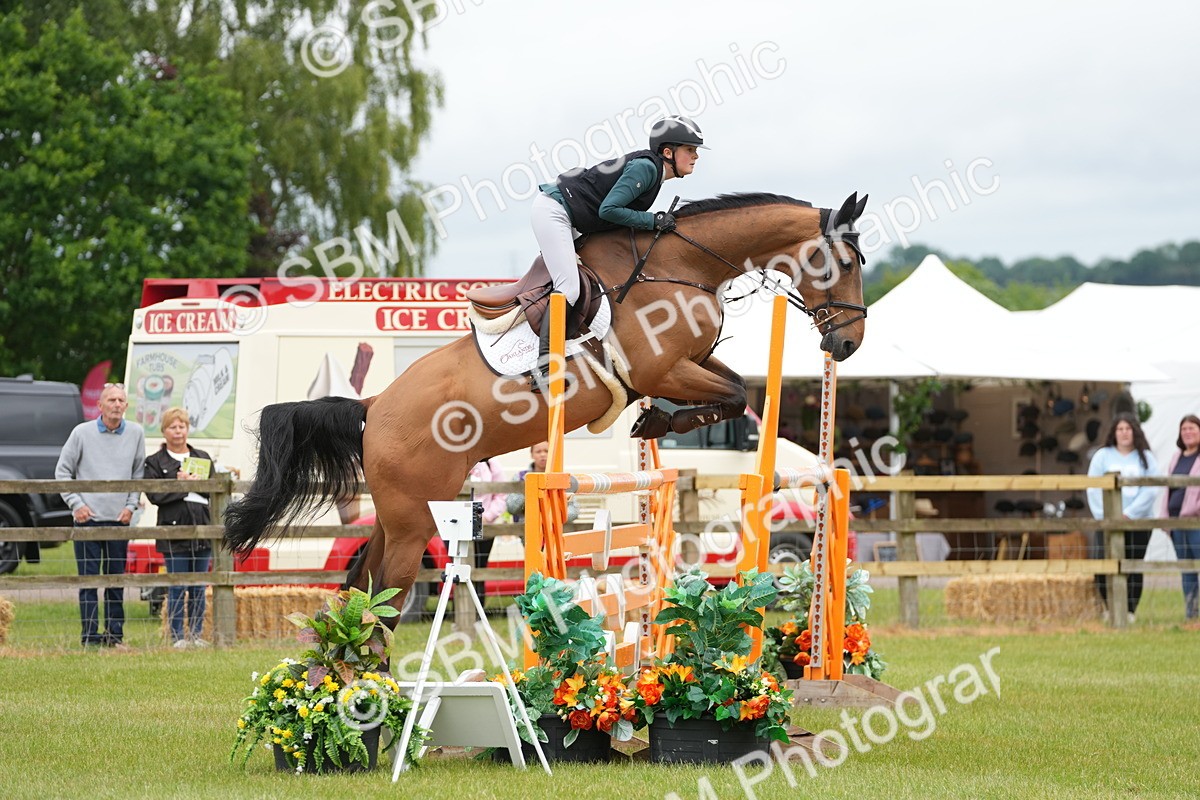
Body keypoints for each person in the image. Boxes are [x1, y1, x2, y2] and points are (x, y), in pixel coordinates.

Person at [529, 115, 707, 382]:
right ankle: (543, 368)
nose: (695, 156)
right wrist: (653, 220)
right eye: (690, 149)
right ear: (668, 152)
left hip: (574, 217)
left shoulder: (654, 173)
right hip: (555, 212)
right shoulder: (646, 169)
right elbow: (609, 210)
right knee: (570, 288)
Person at [56, 383, 145, 648]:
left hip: (120, 519)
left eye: (121, 400)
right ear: (100, 405)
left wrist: (131, 506)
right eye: (111, 400)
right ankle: (90, 637)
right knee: (89, 581)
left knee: (116, 580)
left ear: (126, 406)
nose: (116, 404)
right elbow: (62, 472)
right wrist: (76, 504)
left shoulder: (136, 433)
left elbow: (138, 474)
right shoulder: (81, 433)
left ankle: (115, 636)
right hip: (87, 519)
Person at [144, 408, 215, 648]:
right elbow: (155, 495)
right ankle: (177, 637)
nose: (178, 431)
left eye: (181, 426)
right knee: (177, 585)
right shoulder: (155, 462)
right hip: (172, 532)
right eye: (172, 427)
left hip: (203, 529)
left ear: (187, 429)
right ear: (164, 431)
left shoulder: (202, 457)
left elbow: (215, 491)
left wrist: (199, 484)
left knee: (198, 586)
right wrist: (182, 485)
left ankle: (195, 634)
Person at [1086, 413, 1159, 623]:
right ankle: (1110, 608)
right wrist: (1105, 517)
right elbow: (1093, 488)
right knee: (1102, 564)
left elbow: (1151, 490)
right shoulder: (1102, 456)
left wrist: (1130, 514)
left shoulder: (1146, 457)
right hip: (1107, 521)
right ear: (1114, 432)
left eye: (1128, 429)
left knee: (1133, 565)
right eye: (1120, 429)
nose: (1124, 433)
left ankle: (1129, 610)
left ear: (1135, 432)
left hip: (1137, 522)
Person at [1162, 414, 1200, 619]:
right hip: (1176, 522)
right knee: (1186, 568)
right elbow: (1168, 488)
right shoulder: (1177, 457)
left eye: (1192, 428)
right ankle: (1191, 613)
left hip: (1196, 522)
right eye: (1184, 429)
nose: (1187, 432)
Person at [506, 442, 578, 523]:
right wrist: (528, 487)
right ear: (532, 455)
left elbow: (573, 511)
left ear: (552, 454)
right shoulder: (520, 477)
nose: (542, 455)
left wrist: (553, 518)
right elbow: (511, 508)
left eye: (546, 451)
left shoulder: (562, 479)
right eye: (538, 451)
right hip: (526, 528)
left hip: (556, 528)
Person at [468, 458, 507, 599]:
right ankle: (461, 610)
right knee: (458, 567)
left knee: (479, 568)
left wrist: (486, 517)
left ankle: (479, 608)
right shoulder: (454, 459)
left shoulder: (492, 464)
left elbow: (501, 495)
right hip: (457, 522)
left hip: (483, 523)